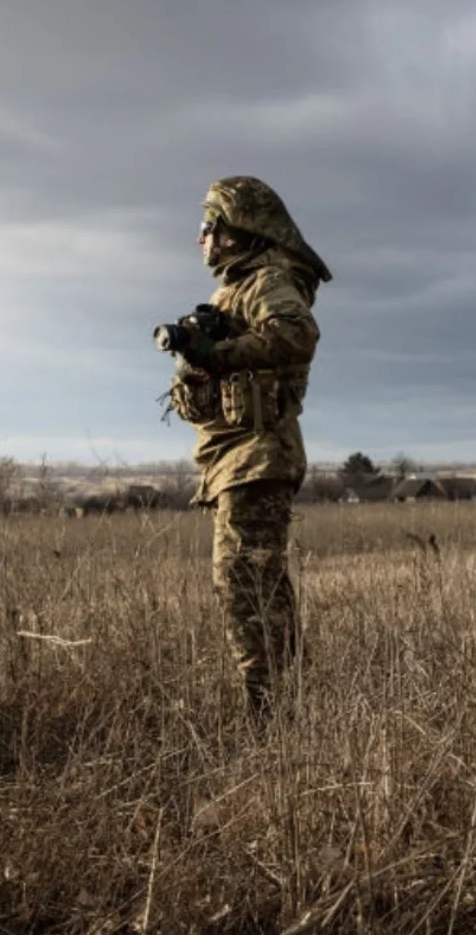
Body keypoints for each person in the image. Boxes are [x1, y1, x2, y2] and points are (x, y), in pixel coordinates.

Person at [159, 175, 332, 719]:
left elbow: (298, 334)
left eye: (208, 227)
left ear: (235, 231)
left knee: (245, 585)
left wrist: (220, 351)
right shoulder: (232, 291)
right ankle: (280, 706)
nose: (201, 240)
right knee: (253, 583)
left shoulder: (265, 283)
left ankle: (269, 712)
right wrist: (195, 359)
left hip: (260, 457)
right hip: (237, 458)